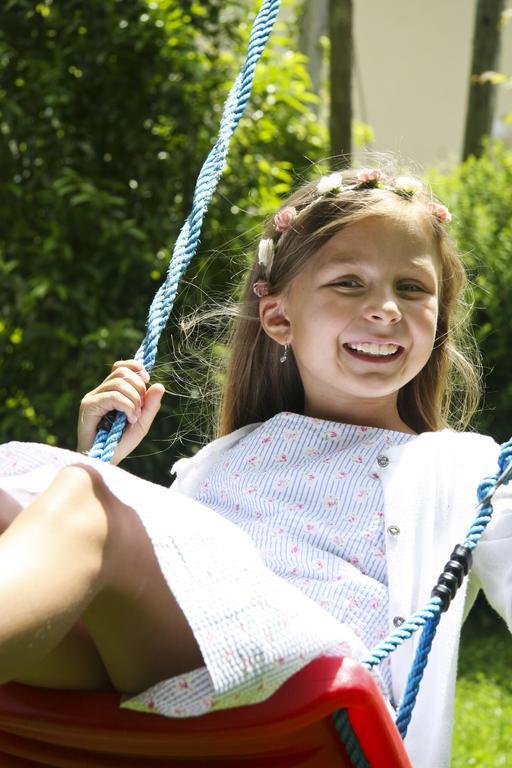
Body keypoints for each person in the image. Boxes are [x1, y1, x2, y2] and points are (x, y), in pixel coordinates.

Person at [0, 165, 510, 768]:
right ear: (278, 318)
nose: (385, 308)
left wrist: (94, 488)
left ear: (439, 318)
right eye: (349, 283)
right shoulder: (218, 462)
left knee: (85, 501)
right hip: (185, 681)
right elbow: (156, 582)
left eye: (412, 288)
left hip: (314, 696)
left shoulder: (465, 467)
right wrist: (104, 462)